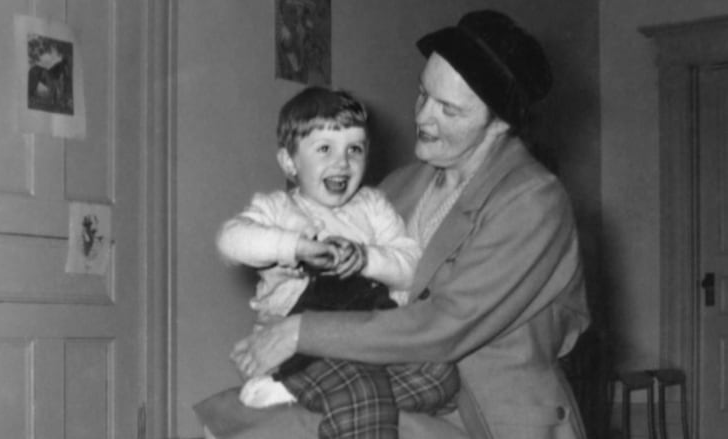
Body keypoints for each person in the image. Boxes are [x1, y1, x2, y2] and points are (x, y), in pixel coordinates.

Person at [196, 9, 590, 439]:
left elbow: (446, 324)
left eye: (449, 110)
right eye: (423, 94)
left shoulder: (532, 202)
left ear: (500, 124)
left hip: (491, 417)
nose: (422, 118)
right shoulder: (400, 186)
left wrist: (300, 332)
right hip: (401, 395)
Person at [215, 86, 461, 439]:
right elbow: (231, 239)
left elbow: (410, 268)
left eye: (355, 149)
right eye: (325, 149)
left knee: (440, 375)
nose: (342, 162)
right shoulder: (280, 210)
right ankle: (306, 386)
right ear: (289, 162)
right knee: (361, 393)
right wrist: (294, 247)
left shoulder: (373, 207)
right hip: (303, 349)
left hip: (365, 337)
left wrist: (366, 258)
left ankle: (297, 393)